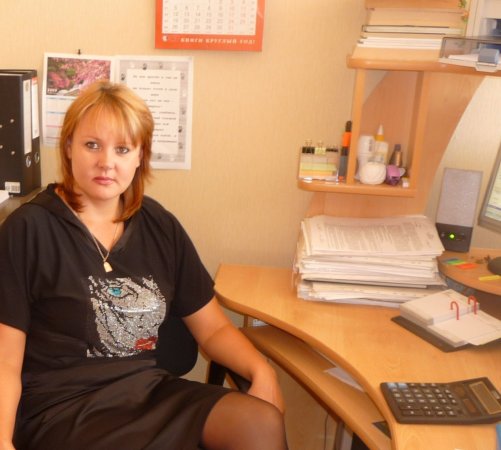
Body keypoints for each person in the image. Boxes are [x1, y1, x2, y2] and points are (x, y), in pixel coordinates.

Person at [0, 80, 287, 450]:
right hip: (63, 408)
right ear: (69, 147)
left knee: (259, 422)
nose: (106, 162)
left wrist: (262, 370)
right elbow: (5, 360)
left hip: (146, 392)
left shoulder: (158, 225)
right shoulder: (28, 229)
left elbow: (213, 329)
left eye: (122, 149)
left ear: (140, 157)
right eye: (92, 145)